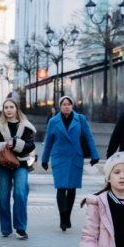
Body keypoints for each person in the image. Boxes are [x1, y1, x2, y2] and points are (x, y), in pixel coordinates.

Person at [41, 96, 100, 231]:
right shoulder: (53, 121)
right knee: (61, 188)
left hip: (75, 158)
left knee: (72, 188)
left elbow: (89, 137)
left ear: (72, 106)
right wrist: (44, 159)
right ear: (60, 107)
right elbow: (48, 142)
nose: (67, 106)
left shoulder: (80, 119)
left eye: (69, 104)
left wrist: (94, 155)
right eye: (64, 104)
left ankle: (68, 216)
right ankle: (62, 219)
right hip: (59, 158)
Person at [0, 98, 36, 239]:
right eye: (6, 107)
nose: (8, 110)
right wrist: (4, 145)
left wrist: (16, 144)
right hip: (2, 163)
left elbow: (31, 145)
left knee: (20, 194)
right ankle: (5, 229)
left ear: (16, 109)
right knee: (3, 196)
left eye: (11, 107)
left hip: (20, 164)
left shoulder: (25, 126)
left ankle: (20, 228)